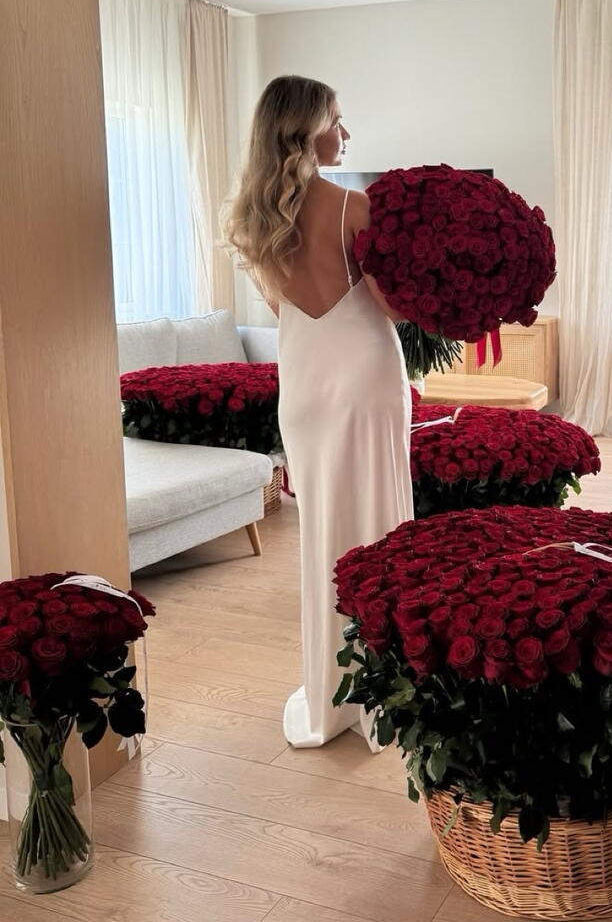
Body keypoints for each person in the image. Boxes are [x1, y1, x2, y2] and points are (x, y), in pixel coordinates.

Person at [225, 75, 412, 749]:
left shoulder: (249, 217)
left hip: (303, 380)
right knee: (379, 527)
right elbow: (395, 308)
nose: (346, 132)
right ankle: (381, 690)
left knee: (325, 533)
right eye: (337, 119)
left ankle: (330, 693)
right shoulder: (354, 208)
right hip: (364, 372)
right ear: (305, 130)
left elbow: (286, 310)